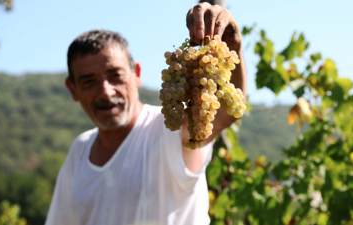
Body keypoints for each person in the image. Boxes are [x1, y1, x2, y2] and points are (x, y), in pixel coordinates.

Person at [45, 3, 247, 225]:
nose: (105, 91)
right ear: (72, 89)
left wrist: (232, 46)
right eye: (89, 82)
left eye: (115, 75)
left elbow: (226, 112)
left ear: (137, 74)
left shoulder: (169, 128)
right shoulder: (79, 151)